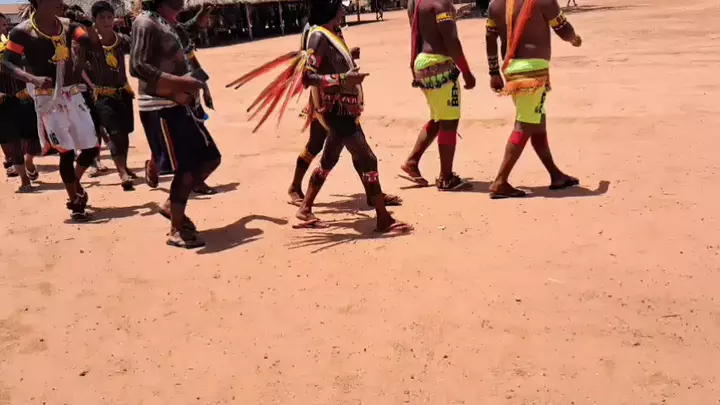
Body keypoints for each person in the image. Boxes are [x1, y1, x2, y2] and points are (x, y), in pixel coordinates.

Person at [294, 0, 411, 232]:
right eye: (340, 7)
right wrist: (342, 79)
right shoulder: (318, 36)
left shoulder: (329, 33)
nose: (343, 11)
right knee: (368, 159)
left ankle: (305, 208)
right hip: (337, 111)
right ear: (331, 10)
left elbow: (329, 65)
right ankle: (383, 218)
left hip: (344, 110)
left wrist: (347, 62)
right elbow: (307, 77)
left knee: (329, 159)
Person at [130, 0, 222, 248]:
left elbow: (187, 31)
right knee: (186, 168)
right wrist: (181, 83)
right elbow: (137, 66)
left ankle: (172, 206)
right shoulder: (145, 23)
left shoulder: (167, 22)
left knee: (210, 158)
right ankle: (176, 230)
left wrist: (202, 15)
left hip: (181, 104)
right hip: (160, 107)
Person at [2, 0, 101, 221]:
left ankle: (74, 183)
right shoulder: (23, 32)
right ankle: (75, 202)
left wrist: (89, 26)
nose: (60, 2)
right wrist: (32, 78)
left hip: (72, 94)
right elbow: (8, 63)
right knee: (66, 151)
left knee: (91, 147)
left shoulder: (68, 26)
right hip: (48, 99)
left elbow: (92, 44)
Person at [485, 0, 581, 198]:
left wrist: (493, 71)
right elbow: (562, 29)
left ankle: (556, 175)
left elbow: (490, 37)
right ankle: (500, 181)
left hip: (511, 69)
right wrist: (575, 39)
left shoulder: (495, 3)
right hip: (532, 71)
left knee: (537, 120)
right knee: (525, 123)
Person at [141, 3, 217, 196]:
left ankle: (196, 181)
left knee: (197, 141)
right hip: (167, 100)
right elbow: (141, 67)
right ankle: (167, 181)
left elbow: (193, 56)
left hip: (188, 95)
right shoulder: (153, 29)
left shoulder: (178, 30)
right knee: (171, 149)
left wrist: (204, 88)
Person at [400, 0, 476, 191]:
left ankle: (412, 161)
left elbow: (418, 34)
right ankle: (446, 178)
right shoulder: (441, 3)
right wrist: (466, 72)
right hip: (438, 65)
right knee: (449, 122)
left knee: (439, 118)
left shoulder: (416, 2)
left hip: (422, 63)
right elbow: (451, 40)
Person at [85, 0, 137, 191]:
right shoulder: (89, 44)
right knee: (114, 133)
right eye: (102, 18)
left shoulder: (122, 39)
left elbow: (140, 53)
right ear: (94, 20)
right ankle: (122, 172)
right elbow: (78, 66)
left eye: (110, 17)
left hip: (124, 92)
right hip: (103, 96)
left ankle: (124, 165)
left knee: (125, 132)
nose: (107, 21)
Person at [0, 12, 41, 191]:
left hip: (23, 97)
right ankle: (24, 179)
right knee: (14, 142)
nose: (3, 29)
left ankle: (29, 162)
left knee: (33, 137)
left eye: (4, 25)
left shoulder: (17, 44)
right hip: (4, 102)